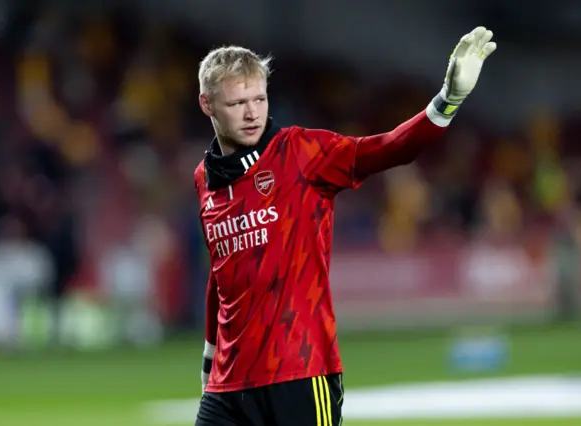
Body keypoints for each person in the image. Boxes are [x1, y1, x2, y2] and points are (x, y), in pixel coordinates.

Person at [193, 27, 497, 426]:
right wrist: (210, 357)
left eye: (260, 99)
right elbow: (222, 274)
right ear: (207, 105)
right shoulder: (204, 179)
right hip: (227, 387)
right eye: (237, 103)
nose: (253, 113)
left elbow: (388, 148)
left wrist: (447, 100)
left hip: (301, 373)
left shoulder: (300, 153)